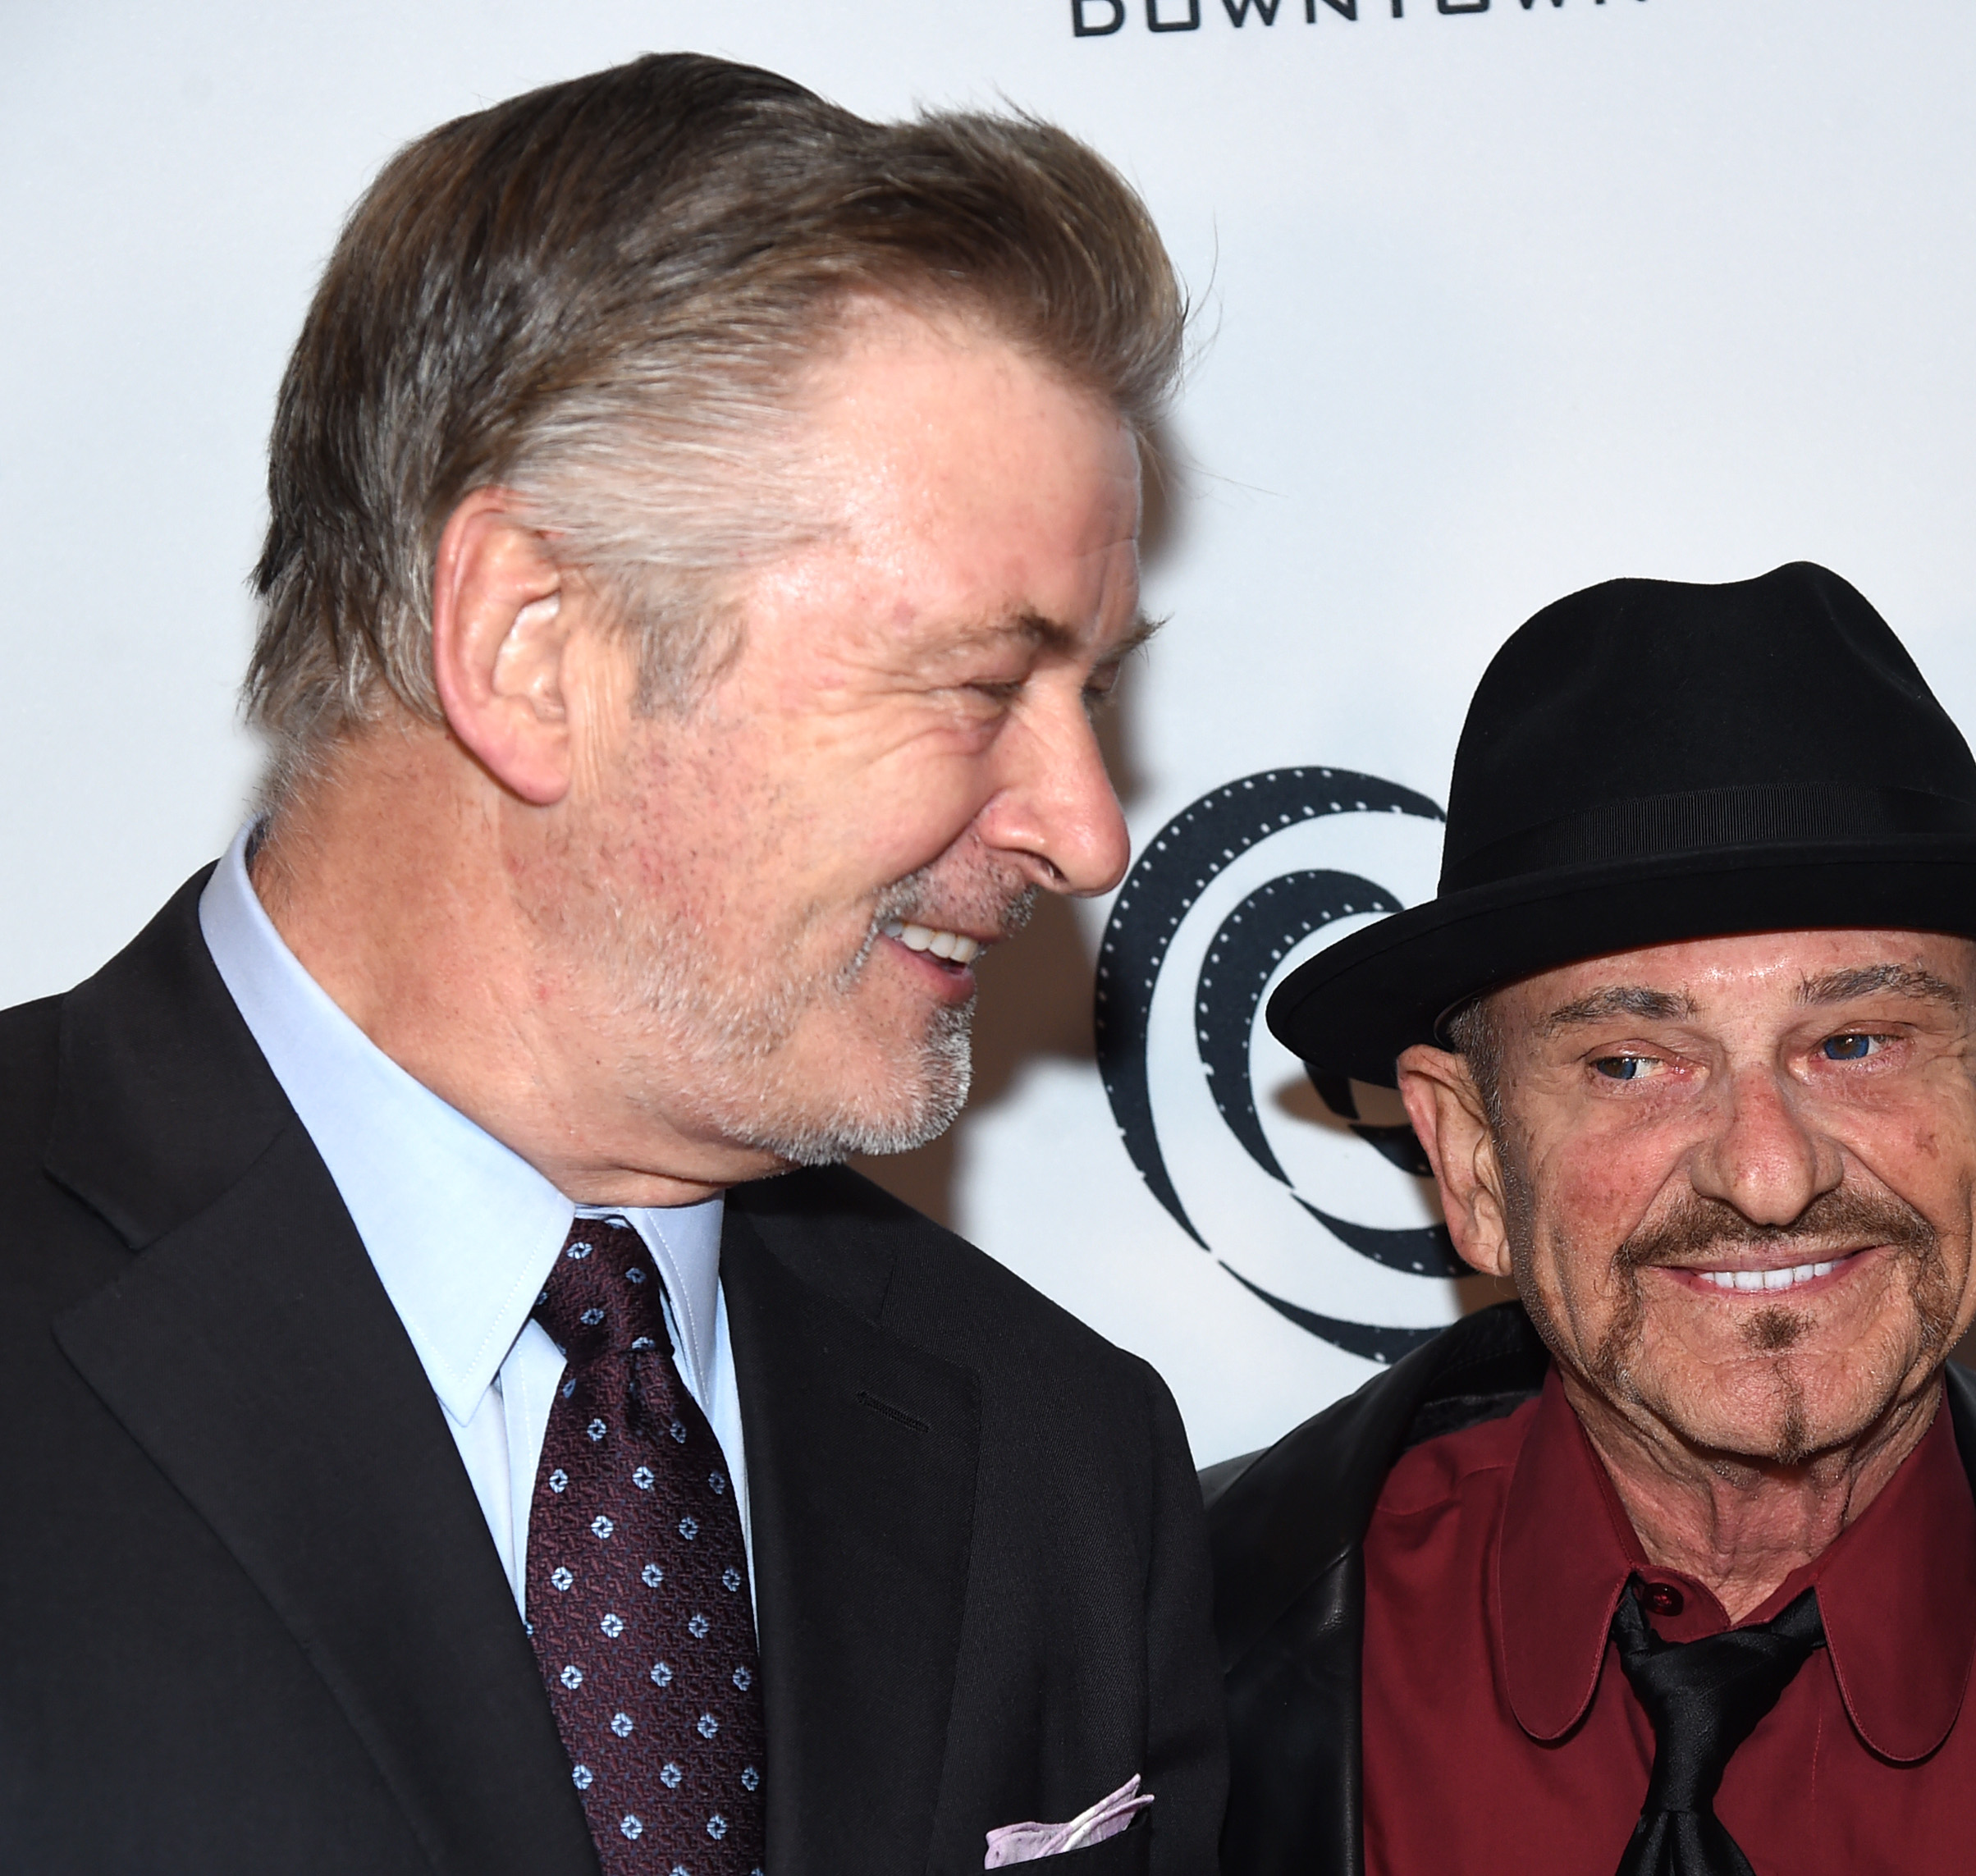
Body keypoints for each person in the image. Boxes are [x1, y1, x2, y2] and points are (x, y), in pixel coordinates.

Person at [0, 54, 1223, 1876]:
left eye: (1092, 694)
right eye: (982, 681)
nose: (1086, 826)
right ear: (529, 645)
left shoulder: (1063, 1455)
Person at [1208, 564, 1976, 1876]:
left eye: (1856, 1040)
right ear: (1472, 1158)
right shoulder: (1145, 1655)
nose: (1767, 1177)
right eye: (1632, 1062)